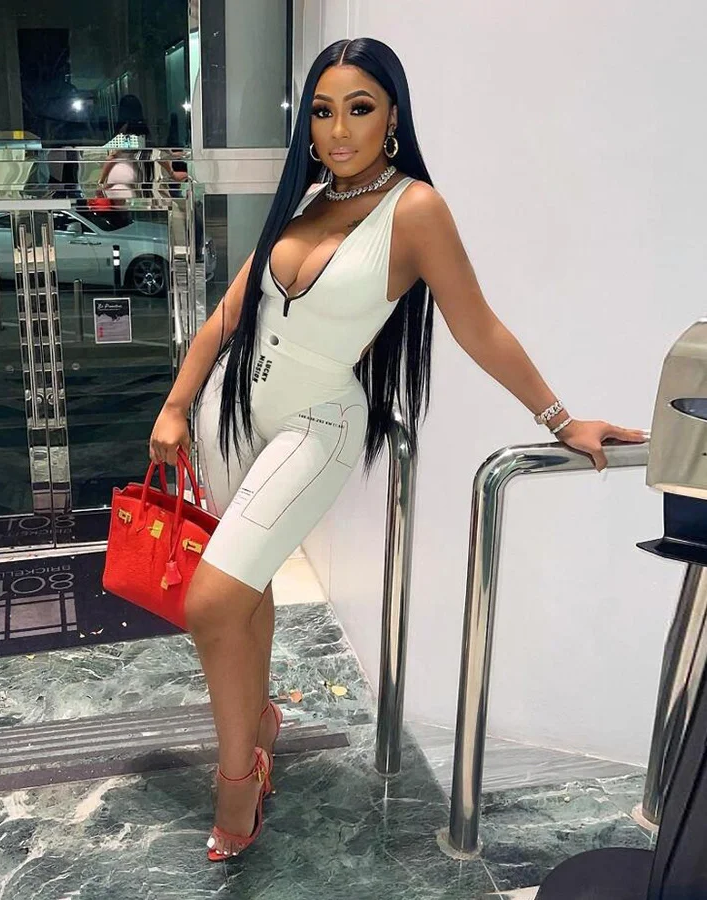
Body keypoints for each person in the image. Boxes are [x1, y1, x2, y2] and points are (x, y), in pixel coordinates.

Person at [147, 37, 647, 861]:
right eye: (323, 111)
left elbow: (478, 326)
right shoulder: (307, 198)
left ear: (392, 118)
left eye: (360, 108)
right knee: (246, 586)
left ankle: (238, 780)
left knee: (209, 603)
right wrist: (175, 407)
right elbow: (229, 315)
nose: (339, 129)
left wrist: (562, 420)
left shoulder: (415, 210)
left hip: (319, 425)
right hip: (232, 416)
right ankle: (258, 718)